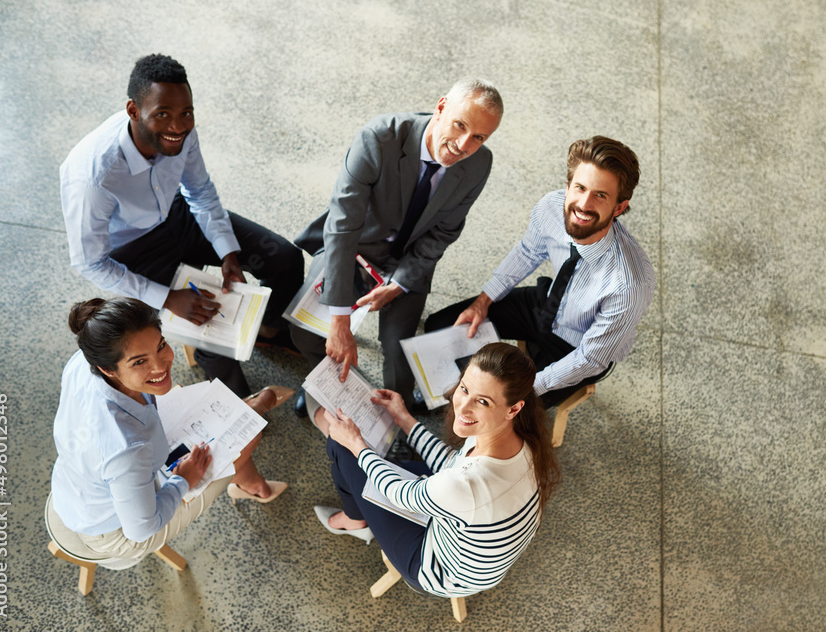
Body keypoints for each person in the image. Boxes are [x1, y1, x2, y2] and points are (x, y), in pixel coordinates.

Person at [60, 54, 304, 398]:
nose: (178, 127)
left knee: (285, 258)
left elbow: (200, 191)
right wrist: (168, 298)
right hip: (134, 248)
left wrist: (228, 250)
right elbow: (89, 262)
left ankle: (267, 330)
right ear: (133, 111)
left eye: (185, 113)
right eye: (163, 114)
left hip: (178, 214)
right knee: (210, 329)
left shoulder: (179, 132)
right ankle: (241, 410)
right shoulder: (93, 176)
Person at [289, 79, 503, 416]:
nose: (464, 145)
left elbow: (445, 232)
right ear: (442, 106)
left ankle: (394, 422)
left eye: (479, 137)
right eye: (460, 125)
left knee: (400, 354)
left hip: (411, 261)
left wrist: (400, 283)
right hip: (356, 246)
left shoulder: (479, 164)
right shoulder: (378, 138)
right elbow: (343, 226)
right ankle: (329, 384)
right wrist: (341, 320)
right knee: (306, 330)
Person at [49, 297, 290, 568]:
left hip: (77, 485)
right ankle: (252, 470)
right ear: (107, 369)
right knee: (245, 439)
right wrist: (183, 481)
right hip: (116, 530)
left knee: (223, 432)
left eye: (161, 345)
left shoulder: (83, 362)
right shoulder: (126, 449)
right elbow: (141, 528)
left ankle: (252, 480)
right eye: (140, 361)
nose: (160, 366)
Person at [425, 136, 655, 408]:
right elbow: (528, 252)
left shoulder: (630, 283)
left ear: (619, 207)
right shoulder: (551, 208)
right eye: (579, 188)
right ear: (568, 186)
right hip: (546, 303)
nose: (583, 204)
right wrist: (483, 301)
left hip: (577, 344)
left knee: (507, 413)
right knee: (439, 329)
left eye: (600, 195)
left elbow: (590, 359)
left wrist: (525, 389)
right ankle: (445, 397)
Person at [314, 342, 559, 597]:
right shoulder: (518, 440)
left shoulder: (464, 485)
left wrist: (356, 444)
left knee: (341, 448)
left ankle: (355, 521)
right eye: (464, 388)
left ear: (514, 408)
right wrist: (405, 420)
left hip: (437, 570)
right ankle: (358, 511)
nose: (462, 407)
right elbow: (454, 464)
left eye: (482, 402)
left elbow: (400, 495)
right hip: (473, 553)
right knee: (374, 461)